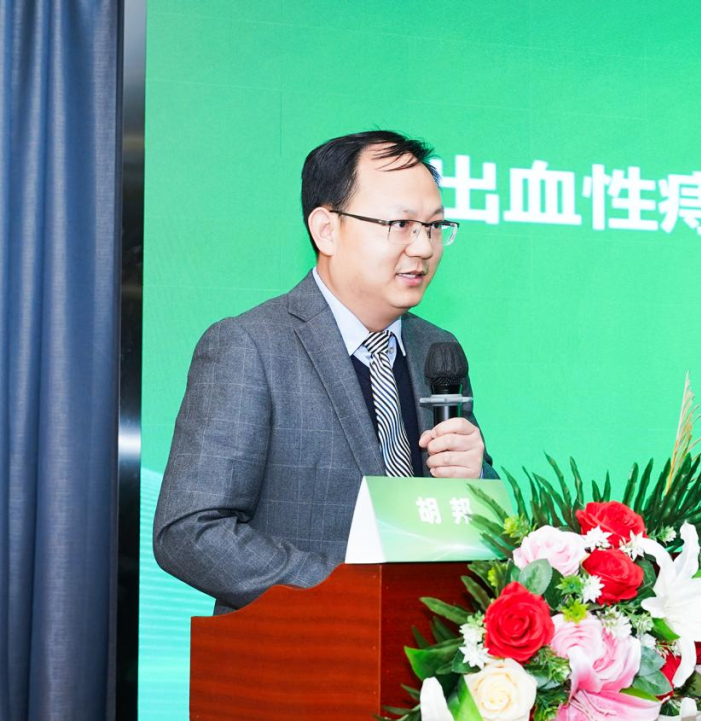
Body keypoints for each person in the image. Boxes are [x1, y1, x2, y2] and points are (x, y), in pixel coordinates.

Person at [153, 130, 494, 614]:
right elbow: (189, 531)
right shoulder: (251, 346)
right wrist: (346, 592)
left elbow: (465, 519)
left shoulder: (436, 350)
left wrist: (476, 475)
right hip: (301, 650)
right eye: (401, 224)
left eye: (435, 226)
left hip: (426, 647)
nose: (423, 247)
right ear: (326, 229)